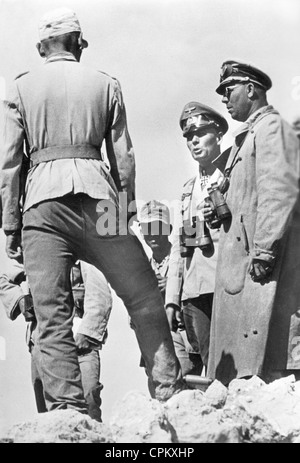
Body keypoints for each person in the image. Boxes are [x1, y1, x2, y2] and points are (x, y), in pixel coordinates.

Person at [0, 7, 183, 415]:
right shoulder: (105, 83)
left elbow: (10, 163)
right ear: (77, 44)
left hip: (42, 207)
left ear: (41, 47)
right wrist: (126, 211)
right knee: (142, 296)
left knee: (51, 313)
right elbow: (124, 157)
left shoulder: (20, 88)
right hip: (100, 200)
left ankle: (67, 410)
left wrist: (11, 224)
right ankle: (168, 386)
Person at [207, 60, 300, 386]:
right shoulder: (245, 138)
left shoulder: (272, 128)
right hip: (241, 266)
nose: (224, 99)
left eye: (229, 90)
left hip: (260, 263)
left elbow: (280, 190)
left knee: (264, 363)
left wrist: (264, 250)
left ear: (252, 89)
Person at [0, 257, 112, 422]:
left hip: (77, 342)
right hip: (42, 340)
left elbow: (100, 294)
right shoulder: (36, 249)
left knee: (88, 404)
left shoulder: (84, 253)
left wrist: (85, 334)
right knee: (48, 410)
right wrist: (22, 301)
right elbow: (4, 279)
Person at [165, 102, 229, 375]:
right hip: (195, 291)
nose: (194, 141)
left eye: (201, 133)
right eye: (189, 137)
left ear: (218, 135)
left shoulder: (232, 178)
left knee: (235, 365)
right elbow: (181, 247)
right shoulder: (188, 190)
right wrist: (172, 299)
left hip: (227, 285)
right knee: (209, 366)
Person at [138, 200, 202, 394]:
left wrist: (173, 290)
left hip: (184, 335)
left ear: (168, 229)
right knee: (160, 394)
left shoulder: (184, 258)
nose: (153, 234)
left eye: (158, 227)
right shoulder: (142, 268)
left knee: (183, 392)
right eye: (148, 228)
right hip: (154, 342)